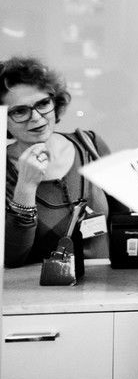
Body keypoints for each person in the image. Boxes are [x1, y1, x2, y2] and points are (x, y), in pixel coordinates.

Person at [3, 56, 123, 267]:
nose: (36, 117)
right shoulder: (2, 168)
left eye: (43, 103)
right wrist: (26, 187)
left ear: (55, 102)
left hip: (104, 284)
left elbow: (124, 221)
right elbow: (12, 258)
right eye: (20, 111)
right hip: (40, 287)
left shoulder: (90, 145)